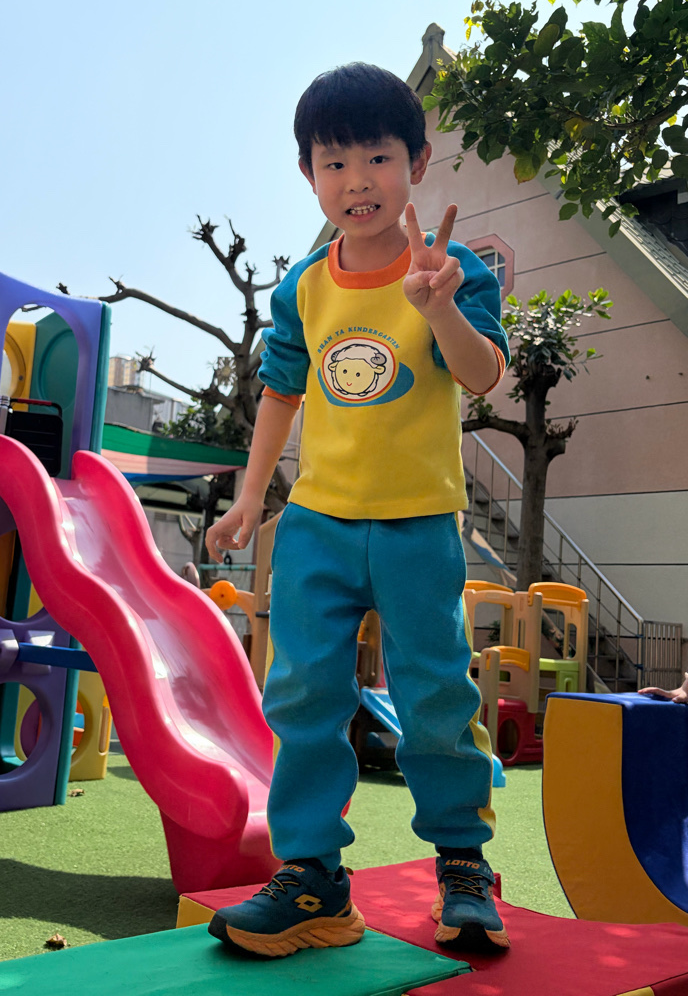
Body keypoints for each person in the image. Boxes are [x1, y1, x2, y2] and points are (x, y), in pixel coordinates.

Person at [204, 62, 511, 958]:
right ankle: (312, 880)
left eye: (376, 157)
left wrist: (440, 306)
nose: (356, 180)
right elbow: (281, 391)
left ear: (416, 161)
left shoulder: (452, 269)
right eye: (333, 163)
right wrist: (251, 495)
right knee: (304, 695)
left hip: (418, 522)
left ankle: (463, 866)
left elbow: (483, 375)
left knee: (436, 696)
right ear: (309, 175)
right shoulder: (303, 286)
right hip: (319, 525)